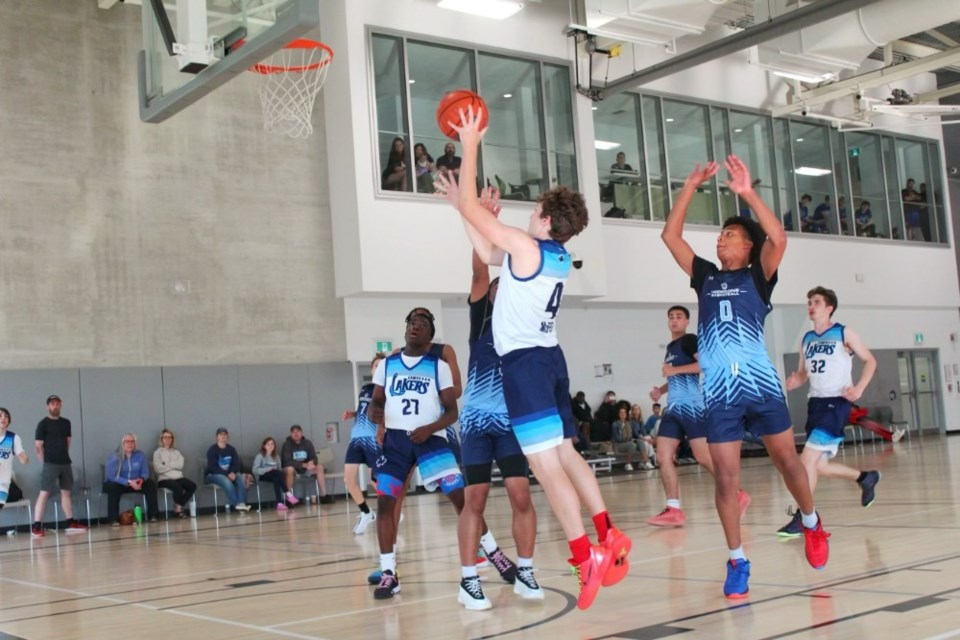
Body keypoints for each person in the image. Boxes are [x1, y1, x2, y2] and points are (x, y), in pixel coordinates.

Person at [438, 104, 631, 611]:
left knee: (547, 468)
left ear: (545, 219)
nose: (529, 214)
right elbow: (486, 253)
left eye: (535, 210)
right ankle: (607, 532)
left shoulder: (527, 248)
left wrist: (471, 144)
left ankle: (583, 553)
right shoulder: (555, 255)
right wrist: (466, 211)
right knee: (566, 453)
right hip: (550, 360)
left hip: (524, 364)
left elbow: (482, 223)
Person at [661, 156, 829, 600]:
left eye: (730, 235)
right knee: (725, 480)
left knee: (788, 462)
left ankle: (812, 523)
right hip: (719, 394)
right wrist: (690, 185)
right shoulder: (706, 278)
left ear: (748, 247)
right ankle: (737, 559)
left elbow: (779, 236)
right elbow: (669, 236)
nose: (721, 239)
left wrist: (747, 192)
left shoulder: (760, 274)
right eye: (720, 235)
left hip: (760, 386)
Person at [441, 194, 541, 608]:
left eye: (506, 286)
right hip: (479, 425)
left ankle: (527, 570)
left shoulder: (525, 324)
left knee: (521, 495)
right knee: (475, 500)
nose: (500, 289)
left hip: (513, 425)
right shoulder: (481, 318)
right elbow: (481, 270)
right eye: (497, 287)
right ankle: (469, 580)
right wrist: (483, 222)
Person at [368, 311, 466, 600]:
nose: (416, 325)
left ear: (430, 333)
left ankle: (485, 547)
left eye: (422, 323)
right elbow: (378, 400)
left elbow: (454, 397)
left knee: (458, 495)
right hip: (399, 439)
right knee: (388, 498)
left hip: (432, 435)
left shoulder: (443, 356)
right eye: (412, 322)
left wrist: (430, 408)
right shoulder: (391, 361)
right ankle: (388, 569)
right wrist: (380, 418)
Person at [778, 286, 882, 536]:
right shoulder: (807, 339)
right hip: (816, 403)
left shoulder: (843, 332)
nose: (811, 306)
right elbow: (804, 373)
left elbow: (871, 360)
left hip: (837, 402)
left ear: (829, 308)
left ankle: (805, 518)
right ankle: (865, 478)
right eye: (809, 302)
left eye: (816, 302)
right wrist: (796, 381)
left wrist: (859, 388)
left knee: (806, 460)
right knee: (820, 465)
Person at [646, 305, 750, 528]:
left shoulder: (689, 340)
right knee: (663, 457)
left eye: (679, 317)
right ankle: (673, 509)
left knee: (704, 458)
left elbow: (705, 364)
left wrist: (673, 371)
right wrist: (661, 391)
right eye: (671, 317)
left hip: (692, 408)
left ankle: (738, 494)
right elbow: (677, 377)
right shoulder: (672, 347)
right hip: (673, 409)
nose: (674, 320)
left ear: (686, 322)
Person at [342, 353, 385, 534]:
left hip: (372, 439)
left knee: (376, 481)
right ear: (372, 369)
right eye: (376, 365)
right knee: (348, 480)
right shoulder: (365, 388)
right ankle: (366, 513)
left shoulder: (388, 389)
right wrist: (352, 413)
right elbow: (363, 409)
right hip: (356, 438)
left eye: (381, 365)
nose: (378, 368)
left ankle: (391, 509)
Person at [32, 395, 87, 537]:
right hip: (50, 463)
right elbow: (38, 446)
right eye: (52, 404)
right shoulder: (43, 424)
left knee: (66, 492)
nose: (55, 406)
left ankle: (70, 523)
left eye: (57, 403)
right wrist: (45, 462)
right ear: (48, 406)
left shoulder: (66, 423)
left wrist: (62, 455)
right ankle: (37, 526)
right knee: (44, 493)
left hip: (65, 462)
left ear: (60, 405)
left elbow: (67, 441)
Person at [104, 433, 159, 525]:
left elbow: (145, 472)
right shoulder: (114, 456)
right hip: (118, 483)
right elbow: (112, 476)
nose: (130, 444)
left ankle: (153, 516)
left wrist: (141, 480)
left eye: (132, 441)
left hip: (136, 482)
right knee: (113, 488)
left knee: (150, 484)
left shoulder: (140, 455)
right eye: (127, 441)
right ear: (122, 443)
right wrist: (128, 482)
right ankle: (113, 519)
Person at [281, 424, 334, 505]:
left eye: (298, 431)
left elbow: (314, 457)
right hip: (293, 470)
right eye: (293, 432)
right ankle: (289, 499)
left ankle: (324, 495)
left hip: (306, 469)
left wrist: (312, 462)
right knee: (289, 469)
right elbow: (287, 461)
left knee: (319, 467)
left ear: (301, 433)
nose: (296, 434)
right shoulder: (287, 444)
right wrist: (303, 465)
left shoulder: (308, 443)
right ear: (290, 434)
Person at [204, 427, 252, 512]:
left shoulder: (231, 450)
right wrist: (227, 474)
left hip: (229, 473)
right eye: (221, 435)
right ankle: (238, 504)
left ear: (227, 437)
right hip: (212, 475)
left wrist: (232, 472)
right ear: (217, 437)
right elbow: (213, 467)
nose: (223, 436)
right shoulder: (212, 450)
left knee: (240, 477)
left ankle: (242, 504)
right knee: (225, 480)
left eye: (225, 435)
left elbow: (236, 464)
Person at [153, 429, 197, 518]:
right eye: (165, 437)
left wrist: (165, 464)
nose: (167, 439)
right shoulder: (157, 453)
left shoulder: (176, 452)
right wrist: (173, 466)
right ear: (161, 439)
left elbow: (180, 465)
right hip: (164, 479)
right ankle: (179, 510)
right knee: (177, 487)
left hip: (178, 477)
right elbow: (158, 469)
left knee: (192, 485)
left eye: (170, 437)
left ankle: (178, 506)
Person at [0, 408, 29, 509]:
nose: (3, 418)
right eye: (0, 416)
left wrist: (24, 458)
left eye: (6, 416)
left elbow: (23, 458)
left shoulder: (13, 438)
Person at [253, 437, 288, 511]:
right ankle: (287, 493)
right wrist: (267, 469)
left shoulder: (276, 456)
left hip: (274, 475)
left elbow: (279, 468)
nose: (270, 446)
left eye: (272, 444)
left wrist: (276, 470)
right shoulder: (260, 456)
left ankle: (279, 503)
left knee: (277, 476)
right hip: (262, 475)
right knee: (276, 474)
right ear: (264, 446)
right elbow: (255, 470)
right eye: (268, 444)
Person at [610, 407, 639, 471]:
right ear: (618, 414)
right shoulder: (615, 424)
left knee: (640, 442)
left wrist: (628, 438)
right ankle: (628, 464)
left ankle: (645, 462)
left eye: (624, 412)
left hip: (626, 443)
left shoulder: (628, 423)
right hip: (618, 445)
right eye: (621, 413)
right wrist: (627, 438)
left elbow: (630, 435)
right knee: (632, 445)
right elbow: (618, 439)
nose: (623, 414)